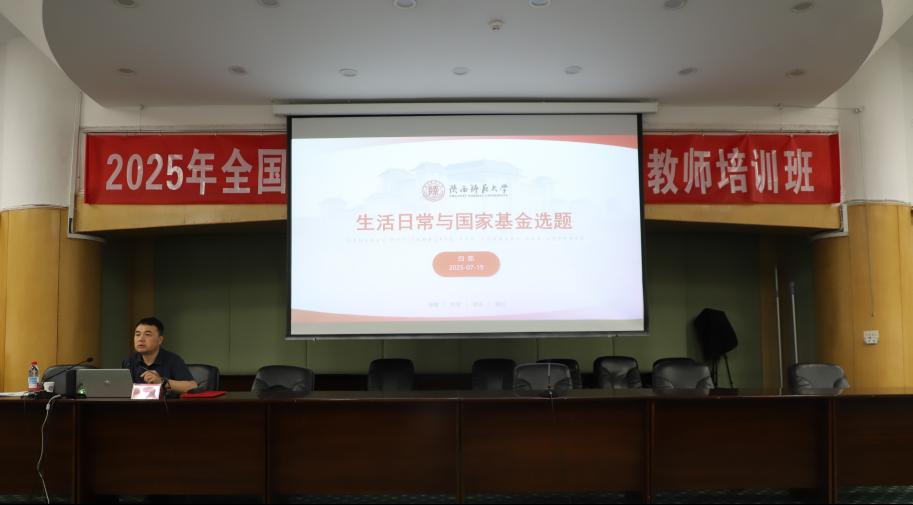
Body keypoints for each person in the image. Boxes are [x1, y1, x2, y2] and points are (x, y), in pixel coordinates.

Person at [122, 317, 198, 394]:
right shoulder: (129, 362)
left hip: (166, 402)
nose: (141, 339)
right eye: (137, 334)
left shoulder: (173, 360)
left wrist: (162, 381)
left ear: (160, 340)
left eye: (147, 334)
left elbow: (193, 386)